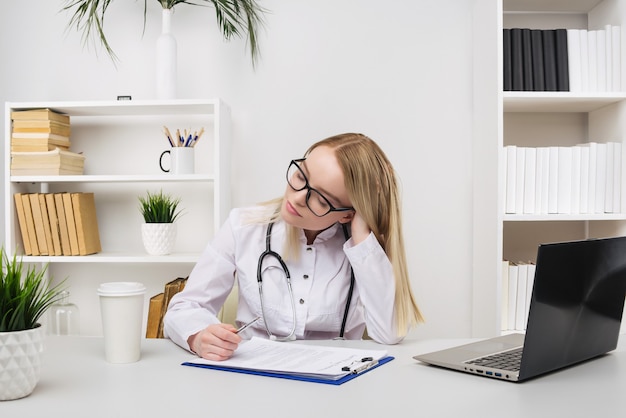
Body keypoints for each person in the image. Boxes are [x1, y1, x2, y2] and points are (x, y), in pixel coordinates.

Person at [163, 133, 423, 360]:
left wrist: (362, 235)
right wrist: (199, 337)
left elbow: (389, 333)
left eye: (320, 199)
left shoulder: (362, 248)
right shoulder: (243, 225)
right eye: (301, 176)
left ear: (346, 214)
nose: (297, 198)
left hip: (337, 390)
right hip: (255, 381)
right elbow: (185, 308)